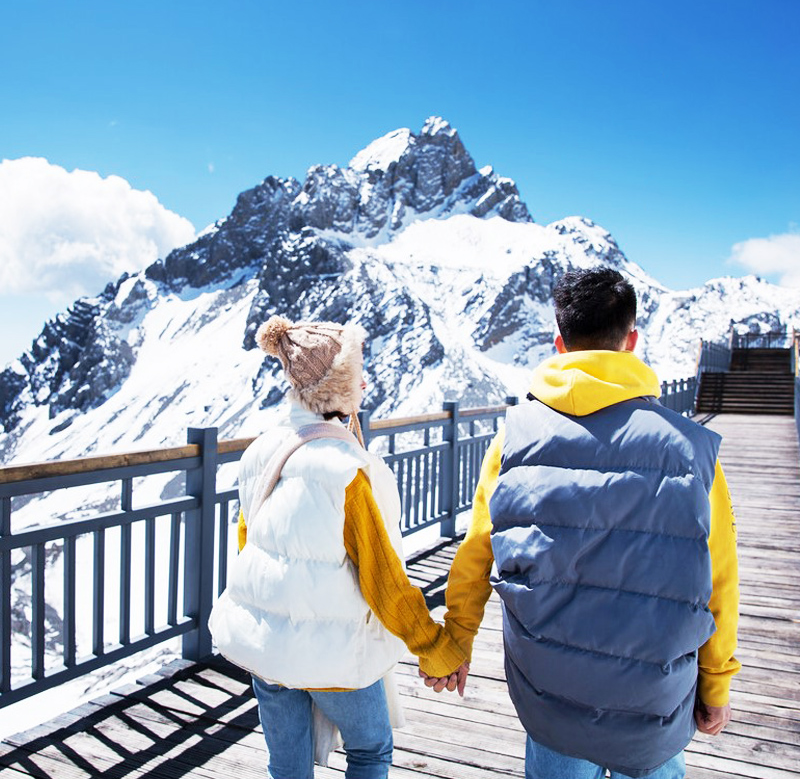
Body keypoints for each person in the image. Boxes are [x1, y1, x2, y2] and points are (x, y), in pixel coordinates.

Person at [419, 268, 740, 779]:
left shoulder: (514, 438)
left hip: (551, 698)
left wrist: (455, 642)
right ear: (631, 342)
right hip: (655, 701)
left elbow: (478, 550)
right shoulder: (690, 450)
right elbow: (718, 577)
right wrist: (716, 684)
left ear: (558, 342)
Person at [209, 315, 467, 779]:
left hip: (267, 647)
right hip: (332, 651)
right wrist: (434, 647)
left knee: (286, 764)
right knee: (370, 748)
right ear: (338, 388)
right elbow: (383, 580)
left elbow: (251, 544)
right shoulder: (345, 470)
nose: (365, 382)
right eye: (356, 375)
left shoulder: (260, 452)